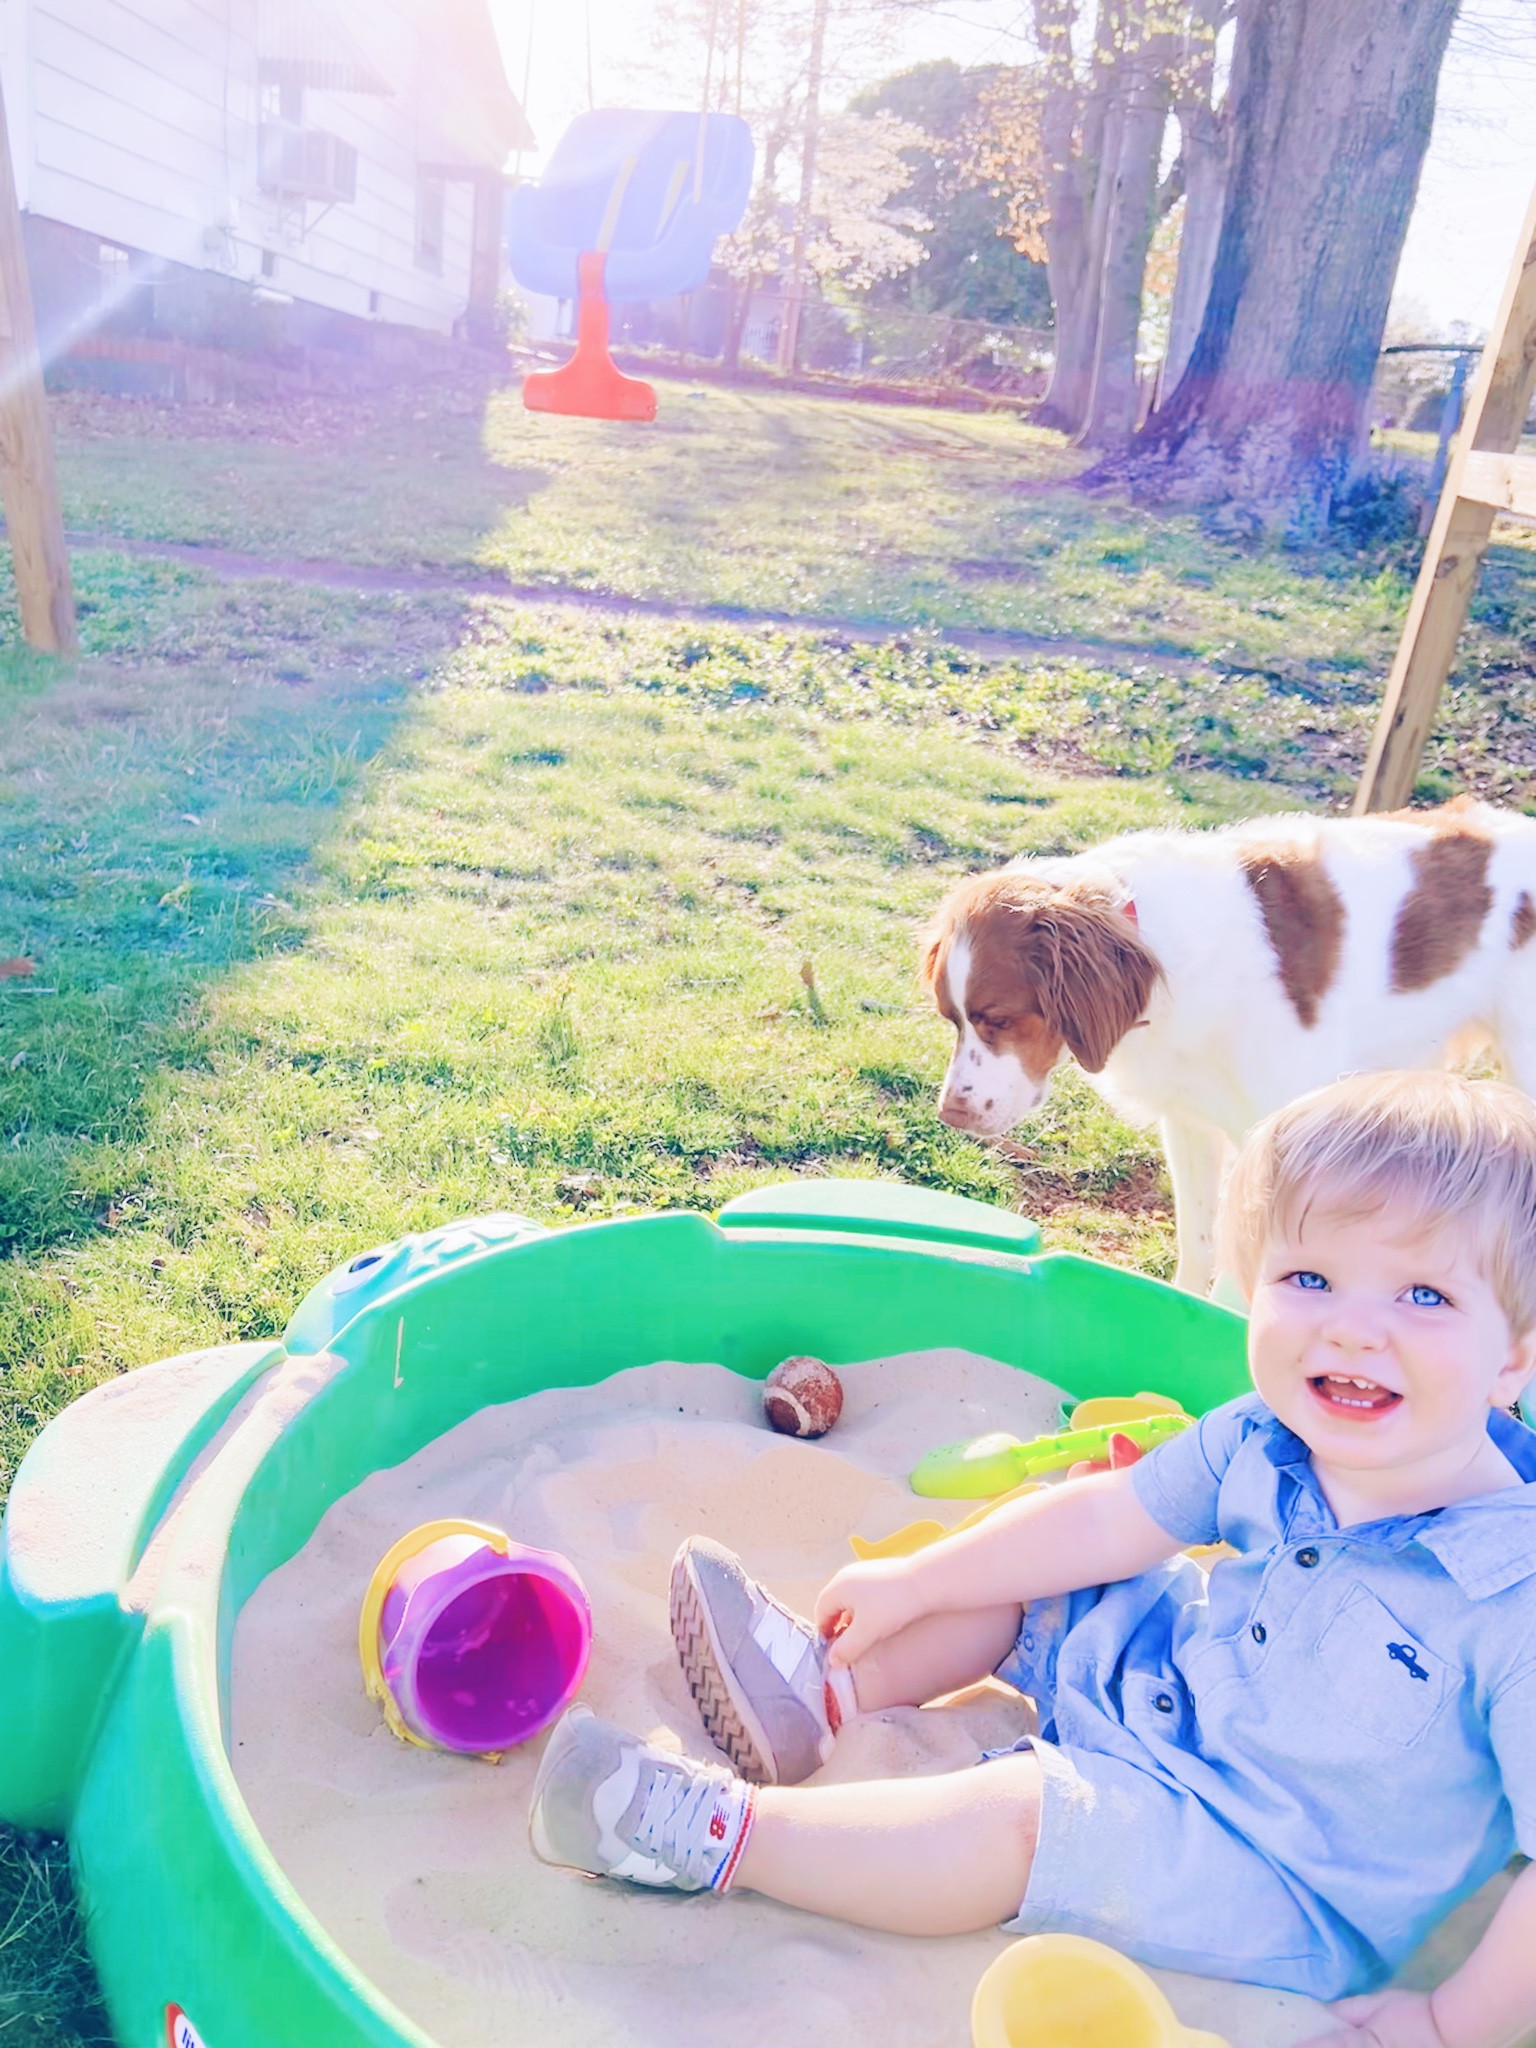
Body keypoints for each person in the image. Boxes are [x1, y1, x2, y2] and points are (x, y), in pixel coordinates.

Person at [530, 1070, 1536, 2048]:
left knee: (1028, 1817)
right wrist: (918, 1578)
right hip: (1168, 1690)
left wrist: (1451, 2020)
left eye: (1424, 1295)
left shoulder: (1514, 1597)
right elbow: (1107, 1522)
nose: (1355, 1328)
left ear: (1515, 1354)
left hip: (1269, 1869)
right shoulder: (1265, 1434)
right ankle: (832, 1694)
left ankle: (718, 1836)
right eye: (1310, 1277)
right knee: (1045, 1557)